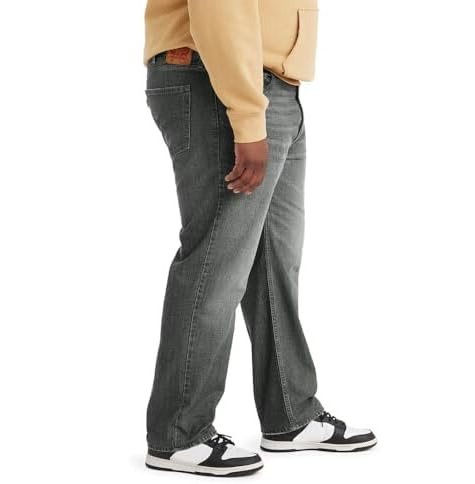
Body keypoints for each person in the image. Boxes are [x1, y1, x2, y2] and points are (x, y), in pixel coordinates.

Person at [142, 0, 376, 476]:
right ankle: (178, 434)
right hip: (221, 81)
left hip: (271, 87)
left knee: (275, 263)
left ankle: (290, 414)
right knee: (216, 264)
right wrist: (248, 114)